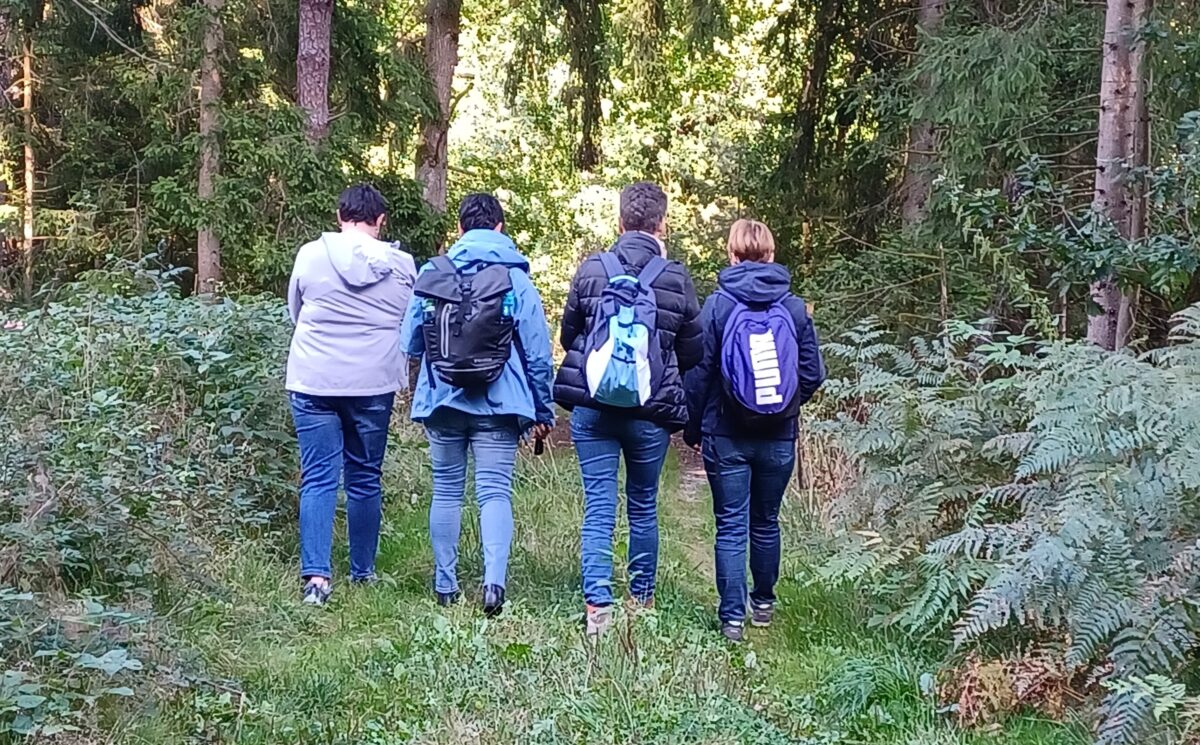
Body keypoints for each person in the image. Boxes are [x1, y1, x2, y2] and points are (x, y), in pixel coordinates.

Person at [554, 181, 703, 635]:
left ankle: (598, 606)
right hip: (650, 413)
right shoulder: (675, 277)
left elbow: (569, 335)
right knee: (642, 504)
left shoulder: (592, 269)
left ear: (620, 222)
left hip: (594, 409)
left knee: (599, 505)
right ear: (663, 224)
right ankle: (641, 598)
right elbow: (693, 351)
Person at [400, 192, 555, 618]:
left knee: (447, 490)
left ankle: (446, 586)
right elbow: (539, 356)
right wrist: (543, 412)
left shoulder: (435, 273)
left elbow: (409, 343)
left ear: (461, 229)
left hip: (443, 400)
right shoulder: (516, 280)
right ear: (501, 228)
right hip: (500, 404)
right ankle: (493, 585)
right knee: (494, 492)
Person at [684, 219, 825, 642]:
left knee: (730, 524)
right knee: (766, 520)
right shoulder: (795, 308)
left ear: (731, 255)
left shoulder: (718, 307)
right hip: (779, 436)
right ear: (771, 255)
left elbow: (699, 375)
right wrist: (786, 407)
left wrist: (693, 427)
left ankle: (731, 619)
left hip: (725, 433)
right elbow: (813, 374)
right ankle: (763, 603)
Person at [286, 184, 417, 606]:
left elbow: (296, 310)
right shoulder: (402, 265)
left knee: (319, 477)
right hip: (373, 382)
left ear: (340, 217)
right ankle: (363, 572)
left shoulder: (310, 254)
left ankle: (317, 580)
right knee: (364, 477)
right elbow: (408, 321)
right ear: (381, 222)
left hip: (314, 378)